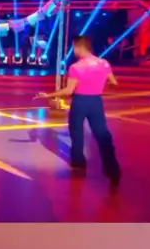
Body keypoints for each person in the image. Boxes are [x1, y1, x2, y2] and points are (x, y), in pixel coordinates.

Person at [34, 35, 121, 188]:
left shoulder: (76, 67)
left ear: (79, 47)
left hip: (80, 102)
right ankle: (113, 170)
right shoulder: (104, 63)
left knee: (76, 132)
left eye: (74, 47)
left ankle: (79, 162)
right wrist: (99, 87)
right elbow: (114, 82)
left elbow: (68, 91)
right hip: (96, 102)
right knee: (103, 135)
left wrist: (48, 95)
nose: (73, 51)